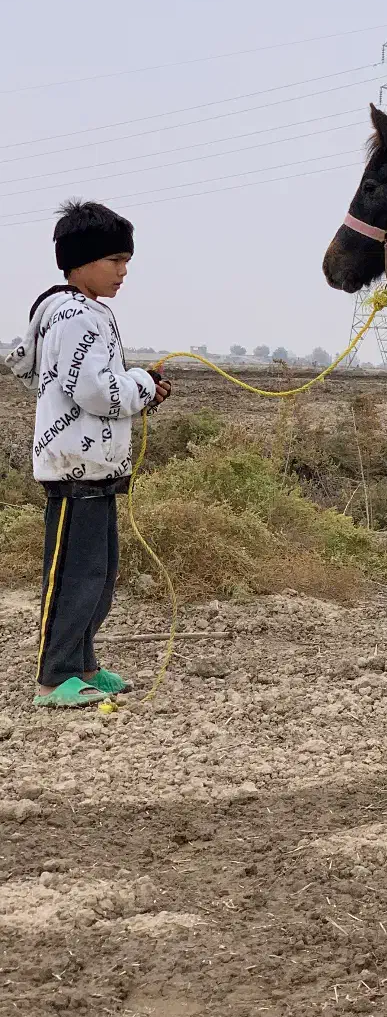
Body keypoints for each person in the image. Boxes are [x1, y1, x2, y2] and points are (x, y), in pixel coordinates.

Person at [5, 201, 172, 708]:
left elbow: (101, 386)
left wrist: (140, 388)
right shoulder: (75, 317)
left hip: (97, 469)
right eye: (115, 260)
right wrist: (142, 383)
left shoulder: (89, 313)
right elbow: (95, 392)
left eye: (126, 261)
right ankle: (53, 679)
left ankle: (84, 666)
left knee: (98, 576)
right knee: (72, 579)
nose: (123, 271)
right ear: (80, 260)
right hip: (74, 471)